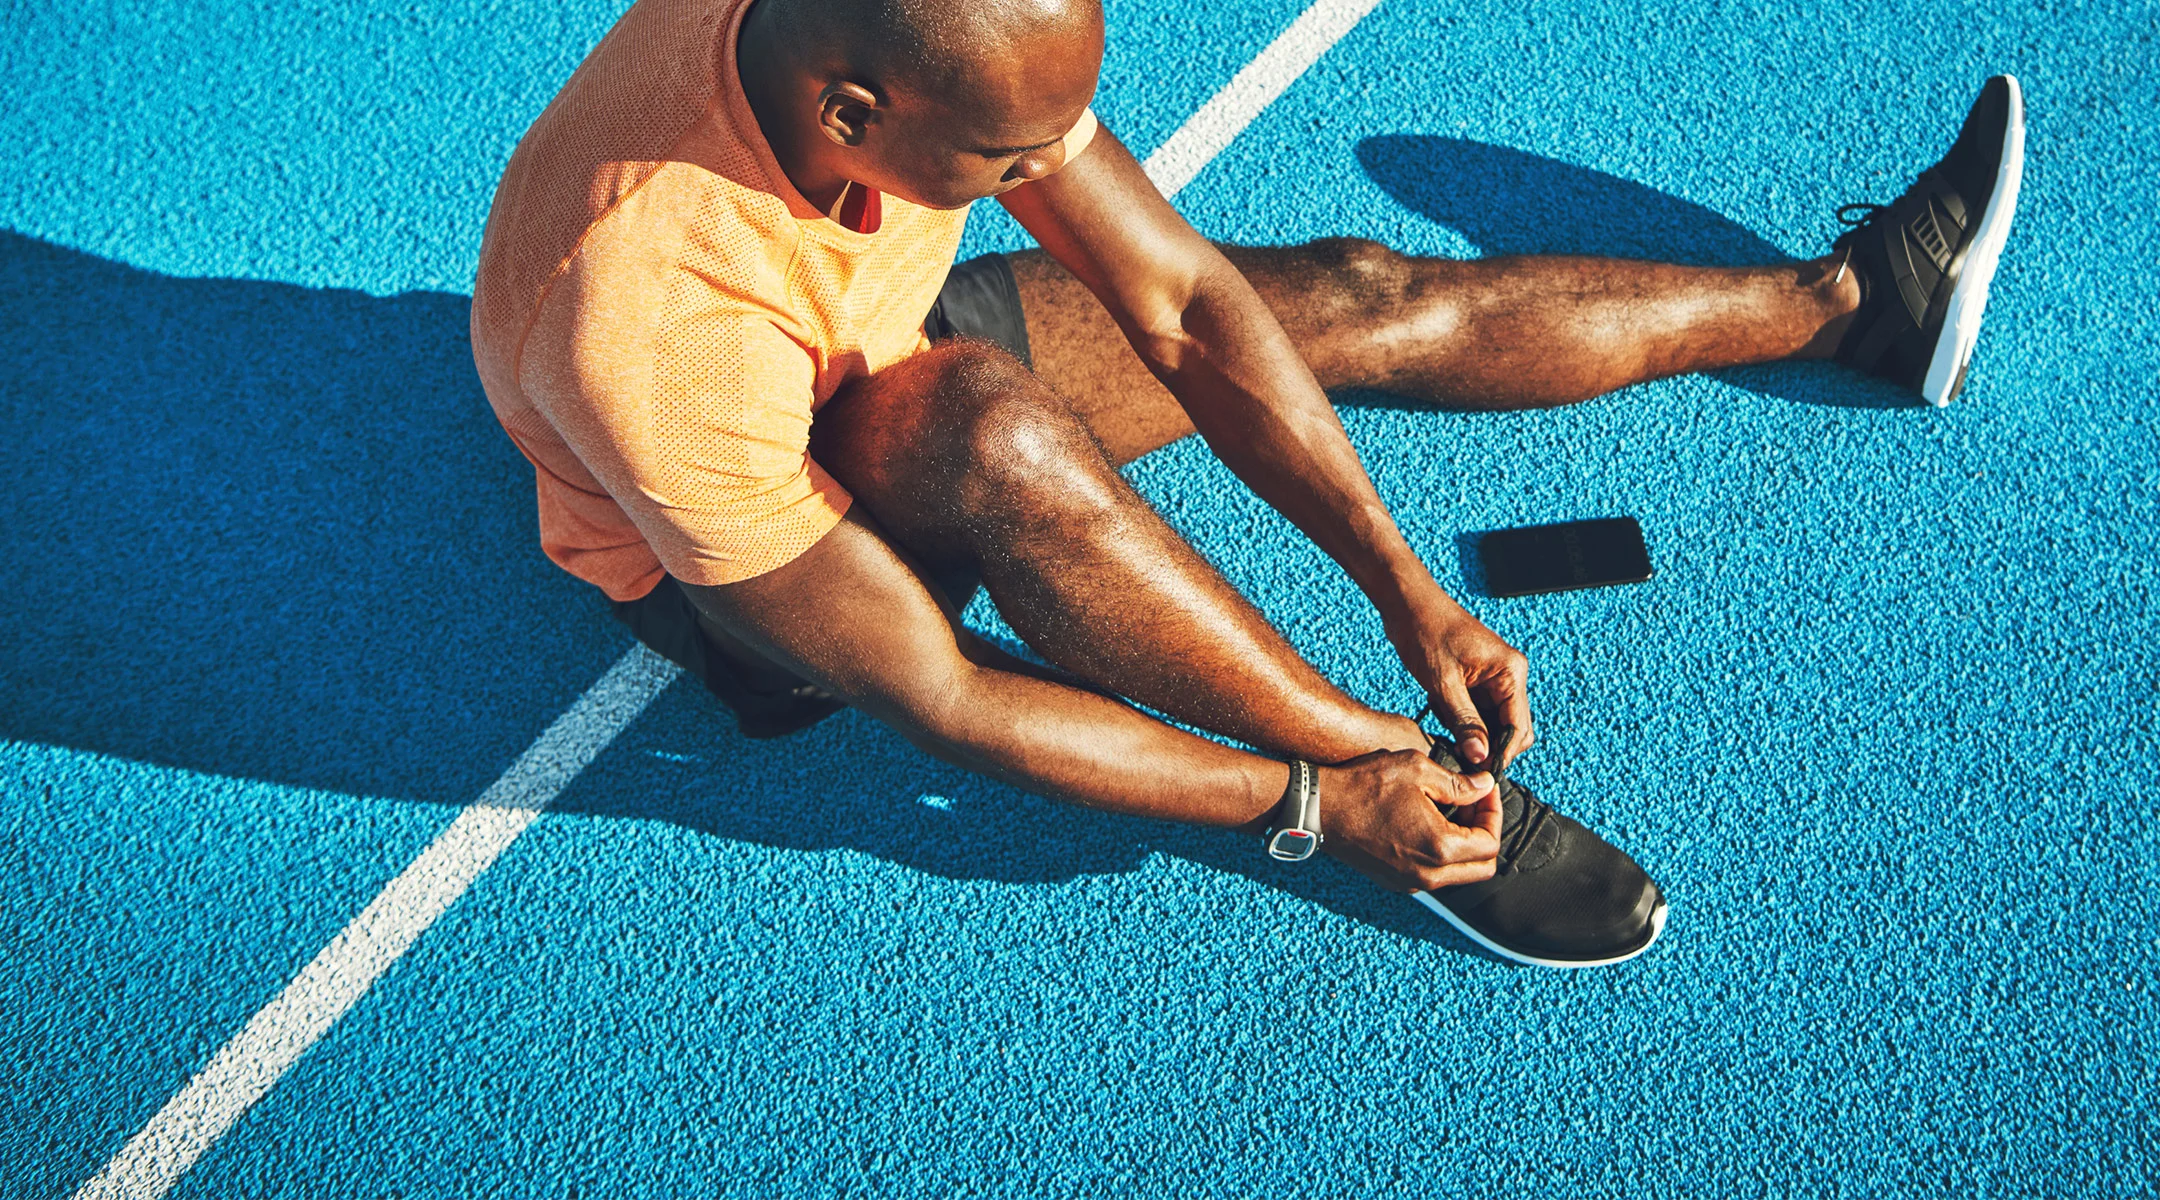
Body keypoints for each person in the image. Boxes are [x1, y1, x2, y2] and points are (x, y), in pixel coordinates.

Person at [470, 0, 2023, 967]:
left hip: (862, 336)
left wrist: (1409, 588)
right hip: (732, 540)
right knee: (990, 434)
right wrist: (1302, 801)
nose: (1050, 169)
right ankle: (1386, 777)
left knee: (1343, 290)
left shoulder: (914, 52)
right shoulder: (651, 319)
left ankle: (1851, 304)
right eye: (1016, 161)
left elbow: (1190, 309)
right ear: (852, 118)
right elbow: (934, 692)